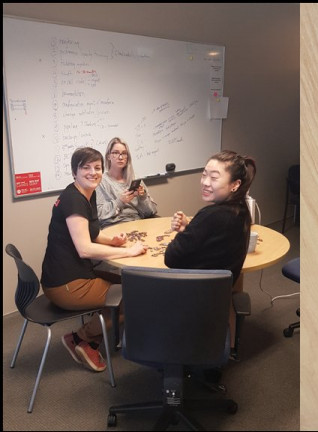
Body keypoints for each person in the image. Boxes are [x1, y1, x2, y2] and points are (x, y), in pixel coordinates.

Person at [41, 147, 147, 372]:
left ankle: (88, 339)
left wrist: (113, 242)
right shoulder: (73, 200)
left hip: (72, 274)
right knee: (135, 298)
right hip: (66, 285)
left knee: (129, 284)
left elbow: (93, 234)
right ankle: (79, 338)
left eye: (97, 168)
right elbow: (85, 249)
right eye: (86, 168)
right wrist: (128, 252)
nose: (93, 172)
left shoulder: (88, 193)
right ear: (74, 172)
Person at [164, 150, 256, 358]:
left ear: (235, 185)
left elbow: (170, 258)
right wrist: (192, 228)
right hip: (215, 297)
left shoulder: (211, 215)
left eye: (214, 178)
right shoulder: (240, 211)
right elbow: (215, 242)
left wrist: (186, 232)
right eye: (204, 174)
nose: (205, 182)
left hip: (192, 297)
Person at [96, 137, 158, 228]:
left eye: (124, 153)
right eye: (116, 153)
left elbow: (151, 212)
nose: (120, 157)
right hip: (114, 226)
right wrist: (120, 201)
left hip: (137, 223)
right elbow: (99, 214)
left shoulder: (134, 178)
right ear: (108, 156)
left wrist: (143, 197)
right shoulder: (101, 181)